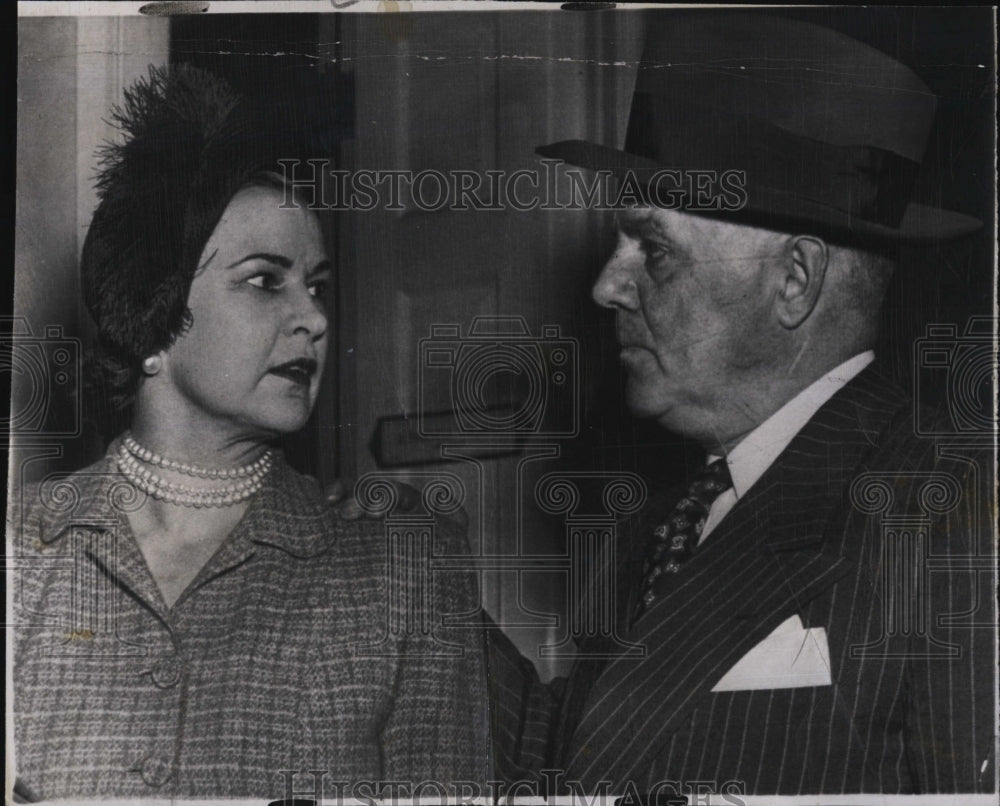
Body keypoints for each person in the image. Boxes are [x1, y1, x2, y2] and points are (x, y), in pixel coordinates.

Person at [486, 13, 995, 795]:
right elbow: (582, 753)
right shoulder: (667, 524)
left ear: (795, 280)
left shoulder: (953, 510)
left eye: (652, 249)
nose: (606, 285)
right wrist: (406, 584)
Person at [9, 65, 489, 800]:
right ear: (152, 317)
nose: (316, 319)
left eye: (318, 286)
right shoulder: (23, 550)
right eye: (266, 280)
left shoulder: (401, 568)